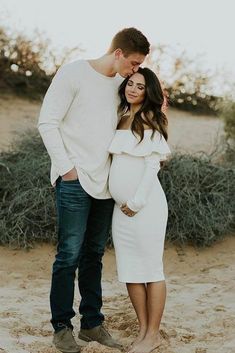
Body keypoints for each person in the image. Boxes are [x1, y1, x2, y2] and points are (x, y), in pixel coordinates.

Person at [37, 28, 150, 353]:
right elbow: (47, 122)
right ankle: (61, 327)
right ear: (118, 53)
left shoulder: (121, 87)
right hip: (74, 180)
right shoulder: (73, 72)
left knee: (93, 256)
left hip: (106, 184)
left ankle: (91, 324)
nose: (134, 71)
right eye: (132, 63)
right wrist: (67, 169)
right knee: (68, 255)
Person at [108, 67, 171, 353]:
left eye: (140, 86)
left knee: (151, 270)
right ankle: (143, 330)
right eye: (130, 84)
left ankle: (153, 334)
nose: (133, 89)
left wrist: (136, 202)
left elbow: (151, 166)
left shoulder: (150, 119)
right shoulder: (122, 118)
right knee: (131, 271)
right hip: (121, 211)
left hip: (144, 208)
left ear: (150, 92)